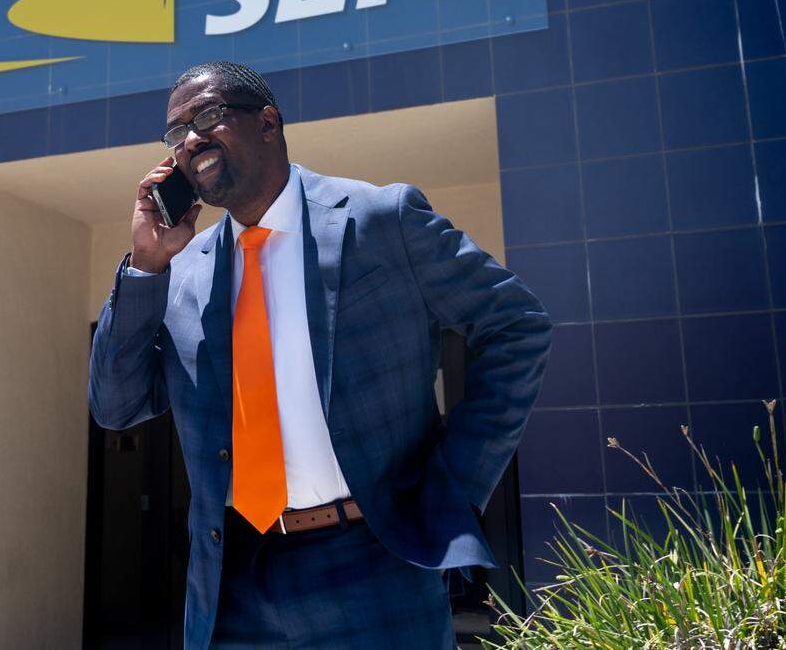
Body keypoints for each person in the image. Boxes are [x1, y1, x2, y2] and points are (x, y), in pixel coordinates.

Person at [89, 61, 553, 649]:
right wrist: (147, 265)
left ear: (268, 121)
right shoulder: (179, 275)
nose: (188, 141)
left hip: (375, 560)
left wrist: (451, 487)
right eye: (175, 133)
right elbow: (115, 406)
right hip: (232, 578)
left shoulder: (382, 220)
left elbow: (516, 325)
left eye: (207, 117)